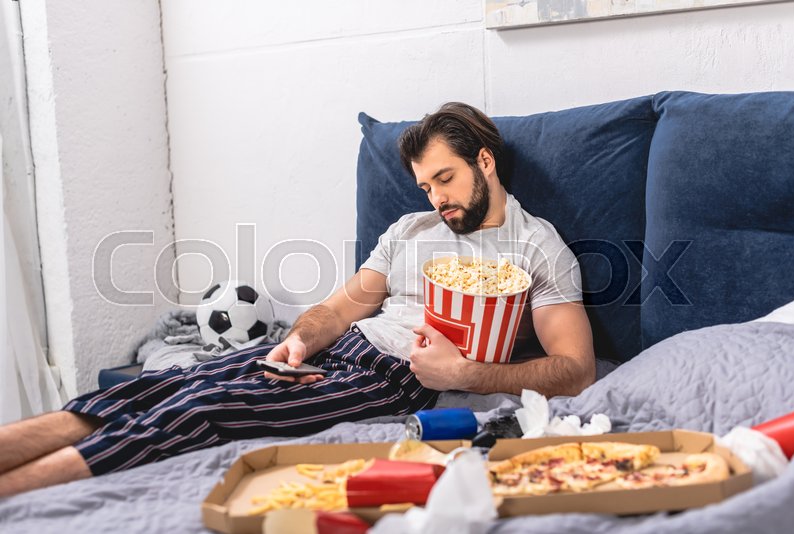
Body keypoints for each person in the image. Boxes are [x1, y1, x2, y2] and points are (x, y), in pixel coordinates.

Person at [0, 102, 594, 497]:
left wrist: (468, 372)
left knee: (203, 409)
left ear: (483, 161)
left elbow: (575, 370)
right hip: (342, 348)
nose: (436, 198)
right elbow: (338, 310)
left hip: (397, 376)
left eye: (445, 179)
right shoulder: (410, 232)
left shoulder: (537, 249)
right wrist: (300, 339)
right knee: (166, 384)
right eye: (425, 186)